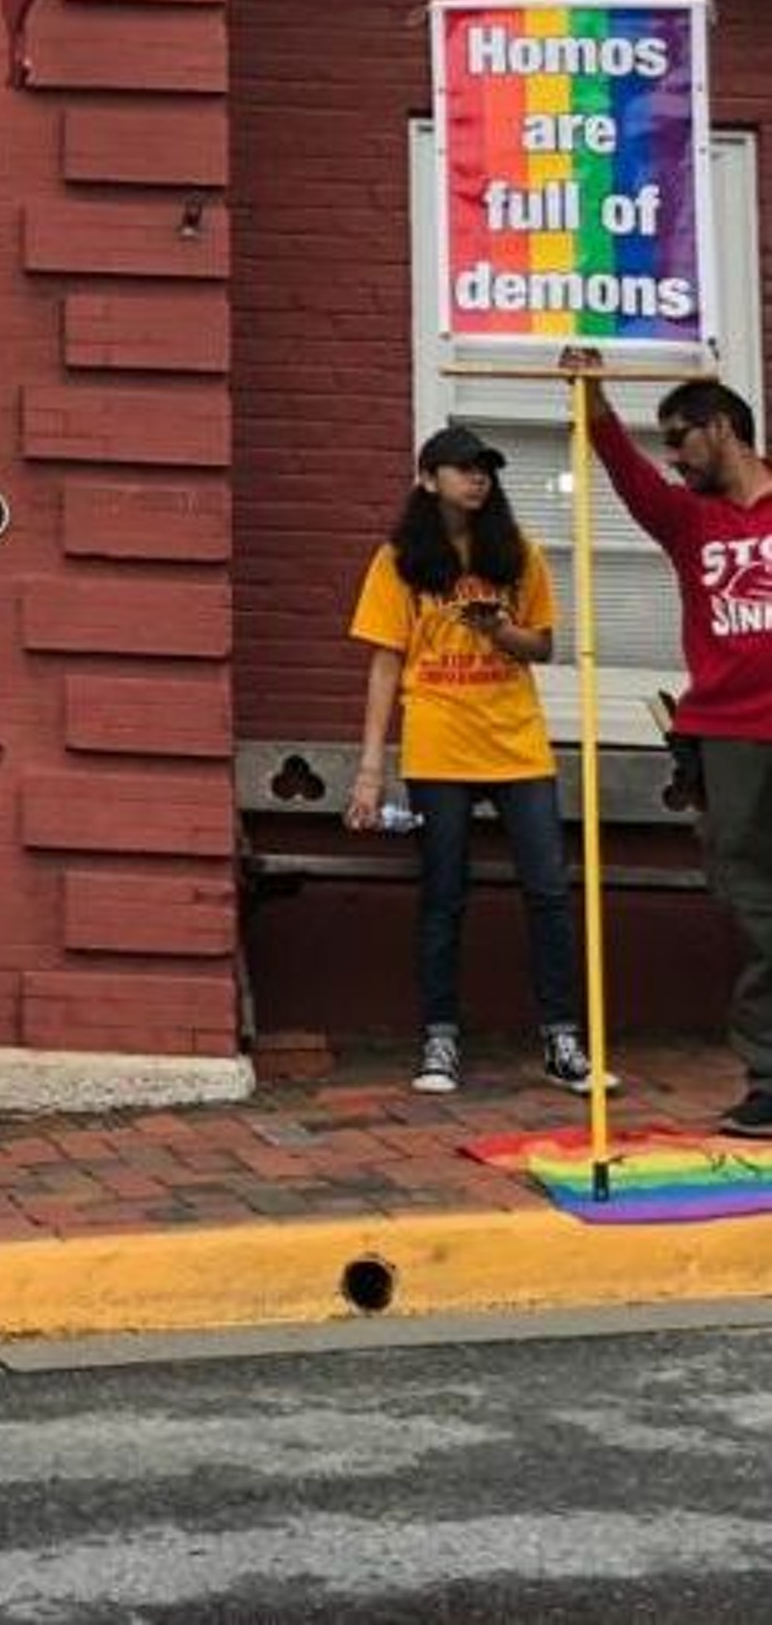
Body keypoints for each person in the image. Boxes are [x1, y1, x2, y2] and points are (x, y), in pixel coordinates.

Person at [342, 424, 603, 1096]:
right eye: (463, 467)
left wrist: (499, 629)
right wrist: (371, 768)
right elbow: (384, 662)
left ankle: (562, 1039)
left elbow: (542, 647)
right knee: (443, 894)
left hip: (517, 742)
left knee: (548, 890)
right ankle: (439, 1038)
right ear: (429, 479)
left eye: (485, 468)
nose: (478, 478)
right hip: (438, 743)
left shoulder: (518, 553)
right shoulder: (398, 561)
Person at [565, 352, 772, 1135]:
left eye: (680, 438)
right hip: (729, 739)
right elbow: (626, 472)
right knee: (757, 910)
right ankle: (770, 1078)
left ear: (722, 429)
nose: (673, 457)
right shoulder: (689, 520)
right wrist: (592, 397)